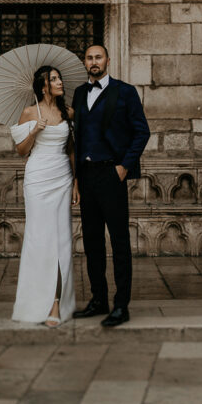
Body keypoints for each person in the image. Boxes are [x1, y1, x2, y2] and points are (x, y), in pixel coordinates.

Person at [72, 44, 150, 327]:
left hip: (111, 174)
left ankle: (121, 305)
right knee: (92, 242)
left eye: (98, 57)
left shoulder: (125, 91)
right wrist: (76, 179)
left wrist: (123, 166)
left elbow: (142, 132)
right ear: (85, 62)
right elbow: (78, 138)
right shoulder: (79, 93)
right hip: (87, 176)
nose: (94, 61)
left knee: (119, 242)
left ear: (107, 60)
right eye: (89, 58)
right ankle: (99, 299)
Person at [10, 65, 79, 326]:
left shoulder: (68, 112)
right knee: (39, 240)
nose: (60, 82)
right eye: (54, 79)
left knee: (61, 240)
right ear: (43, 86)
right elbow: (21, 151)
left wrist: (76, 182)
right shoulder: (29, 112)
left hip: (62, 178)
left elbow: (71, 149)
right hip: (38, 179)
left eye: (59, 78)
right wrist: (34, 131)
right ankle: (34, 301)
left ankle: (57, 303)